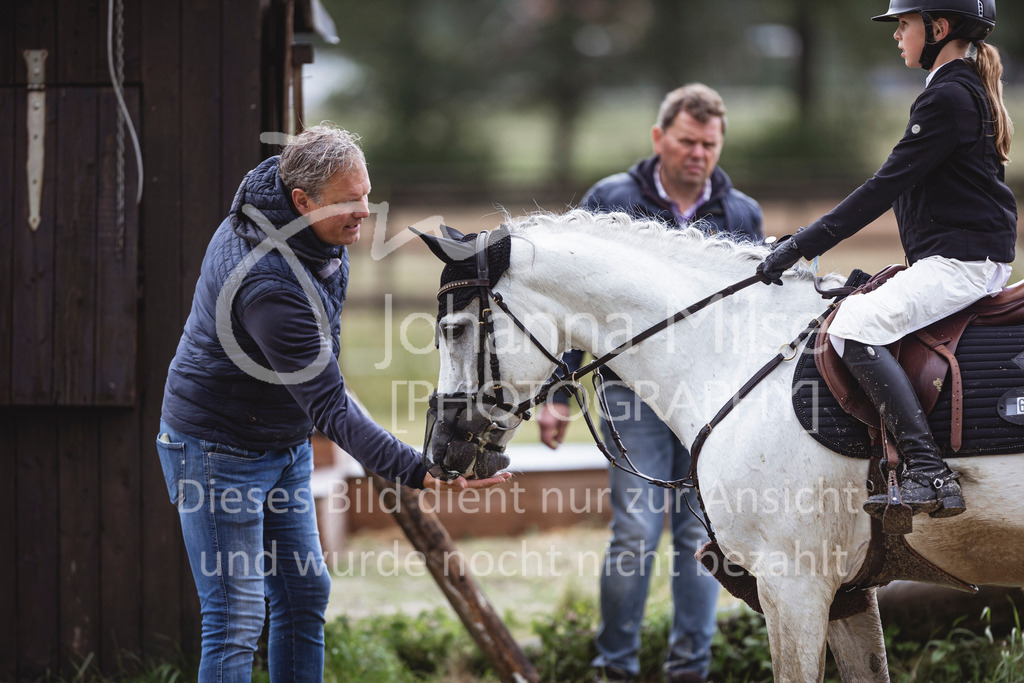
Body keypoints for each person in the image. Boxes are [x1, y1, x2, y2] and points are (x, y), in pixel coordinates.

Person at [156, 124, 510, 682]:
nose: (366, 211)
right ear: (302, 201)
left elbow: (323, 381)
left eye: (367, 193)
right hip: (217, 452)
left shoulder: (318, 236)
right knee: (236, 617)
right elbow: (330, 405)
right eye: (350, 200)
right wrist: (420, 470)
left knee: (303, 591)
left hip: (281, 440)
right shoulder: (268, 281)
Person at [538, 84, 764, 683]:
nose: (699, 154)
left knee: (702, 534)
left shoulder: (741, 214)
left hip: (707, 403)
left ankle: (690, 669)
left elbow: (748, 315)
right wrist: (559, 394)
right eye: (687, 141)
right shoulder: (612, 201)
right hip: (628, 393)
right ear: (659, 138)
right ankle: (616, 668)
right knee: (636, 529)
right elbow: (570, 299)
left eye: (709, 144)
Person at [758, 0, 1015, 520]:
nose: (897, 35)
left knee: (854, 325)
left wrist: (800, 244)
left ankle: (928, 469)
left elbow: (883, 187)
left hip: (960, 263)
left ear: (938, 29)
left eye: (904, 24)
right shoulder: (958, 89)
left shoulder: (947, 96)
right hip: (961, 257)